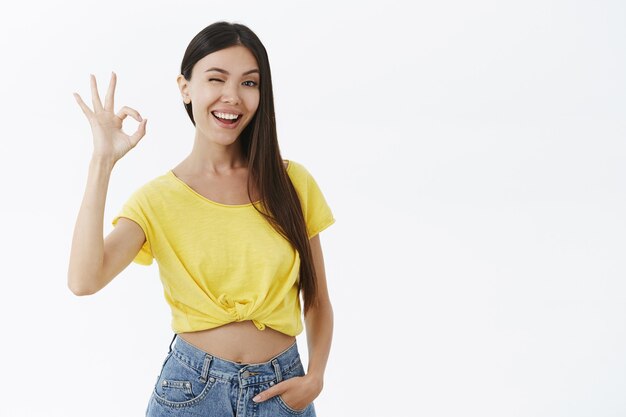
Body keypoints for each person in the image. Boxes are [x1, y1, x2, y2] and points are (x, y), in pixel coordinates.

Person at [68, 21, 335, 417]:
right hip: (191, 392)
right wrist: (102, 161)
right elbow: (83, 280)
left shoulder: (292, 183)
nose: (232, 97)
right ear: (185, 88)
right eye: (216, 79)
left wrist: (315, 377)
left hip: (282, 390)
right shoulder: (157, 200)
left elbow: (316, 298)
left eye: (249, 83)